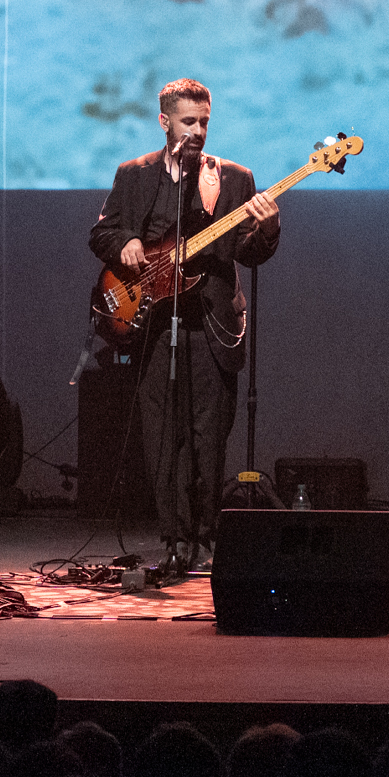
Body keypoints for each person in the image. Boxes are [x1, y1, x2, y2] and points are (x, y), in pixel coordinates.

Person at [87, 77, 280, 576]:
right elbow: (102, 232)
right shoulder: (135, 175)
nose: (197, 131)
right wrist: (126, 243)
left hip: (212, 324)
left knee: (208, 436)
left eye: (204, 122)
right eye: (188, 121)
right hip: (154, 324)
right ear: (165, 121)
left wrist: (269, 227)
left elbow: (249, 252)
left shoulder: (234, 179)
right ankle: (172, 537)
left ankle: (205, 536)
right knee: (162, 436)